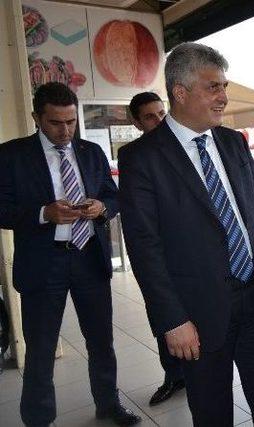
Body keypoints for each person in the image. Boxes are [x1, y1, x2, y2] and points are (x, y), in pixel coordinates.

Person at [118, 42, 254, 427]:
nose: (223, 97)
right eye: (214, 87)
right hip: (197, 312)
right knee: (212, 412)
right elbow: (144, 248)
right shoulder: (142, 159)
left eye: (224, 86)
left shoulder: (234, 142)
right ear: (180, 92)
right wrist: (171, 319)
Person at [0, 82, 141, 426]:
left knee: (101, 341)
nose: (65, 131)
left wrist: (101, 207)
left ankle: (108, 405)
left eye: (71, 122)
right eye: (55, 123)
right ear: (37, 117)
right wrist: (42, 213)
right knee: (41, 349)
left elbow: (113, 196)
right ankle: (38, 419)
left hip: (88, 258)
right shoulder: (11, 155)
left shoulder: (91, 152)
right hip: (42, 263)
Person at [128, 91, 184, 407]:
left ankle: (197, 372)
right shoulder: (135, 156)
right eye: (150, 116)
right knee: (163, 316)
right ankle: (173, 376)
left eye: (162, 113)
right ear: (136, 122)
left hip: (191, 255)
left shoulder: (186, 148)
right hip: (158, 258)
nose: (159, 120)